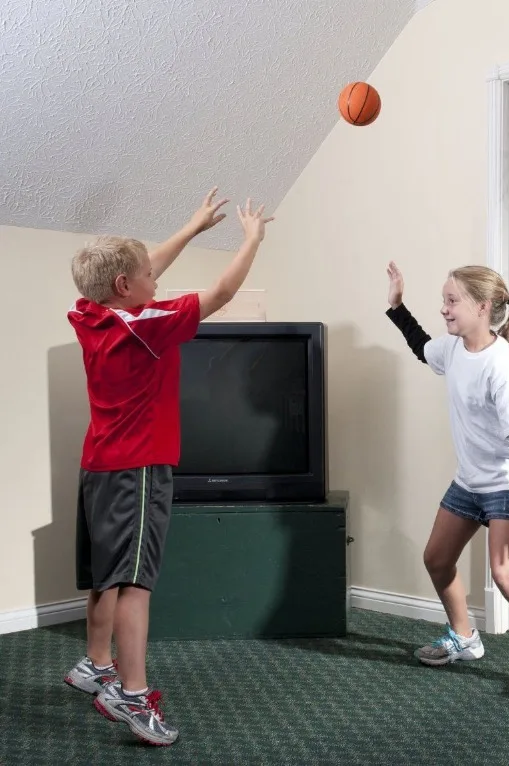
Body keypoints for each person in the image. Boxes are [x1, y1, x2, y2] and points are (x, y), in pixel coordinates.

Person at [63, 188, 274, 745]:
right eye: (146, 276)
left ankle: (95, 663)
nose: (156, 279)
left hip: (99, 464)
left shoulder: (92, 311)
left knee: (106, 574)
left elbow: (139, 270)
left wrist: (191, 227)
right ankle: (134, 697)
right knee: (135, 582)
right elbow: (223, 291)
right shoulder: (145, 325)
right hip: (138, 471)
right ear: (126, 289)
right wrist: (252, 238)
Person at [384, 260, 509, 702]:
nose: (444, 309)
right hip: (470, 482)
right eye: (444, 301)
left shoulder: (504, 366)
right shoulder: (455, 349)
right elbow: (422, 348)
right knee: (436, 559)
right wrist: (397, 307)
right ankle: (464, 637)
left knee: (507, 575)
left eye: (452, 301)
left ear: (483, 306)